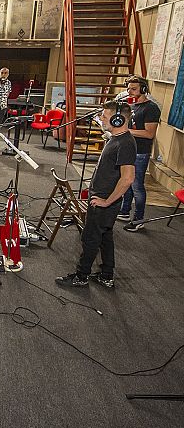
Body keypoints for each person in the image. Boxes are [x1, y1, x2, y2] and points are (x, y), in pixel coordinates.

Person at [56, 101, 136, 289]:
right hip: (101, 199)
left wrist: (107, 202)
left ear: (119, 120)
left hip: (104, 202)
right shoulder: (117, 138)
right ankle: (106, 275)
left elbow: (128, 178)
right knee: (105, 236)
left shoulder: (125, 143)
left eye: (105, 117)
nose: (101, 119)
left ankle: (81, 276)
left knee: (90, 238)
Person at [118, 75, 160, 232]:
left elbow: (149, 134)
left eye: (133, 89)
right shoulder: (133, 106)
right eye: (128, 88)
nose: (129, 91)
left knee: (137, 186)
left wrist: (127, 130)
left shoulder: (151, 108)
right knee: (127, 182)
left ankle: (138, 219)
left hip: (141, 153)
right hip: (130, 149)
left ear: (143, 89)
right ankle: (124, 211)